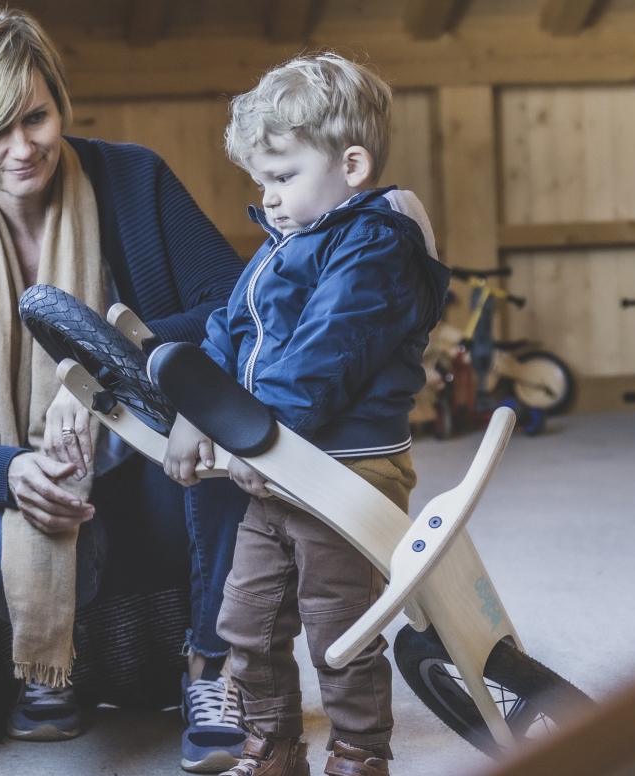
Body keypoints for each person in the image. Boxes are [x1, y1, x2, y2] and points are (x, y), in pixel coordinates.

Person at [0, 4, 250, 772]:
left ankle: (211, 670)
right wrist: (11, 471)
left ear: (58, 99)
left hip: (153, 462)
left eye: (35, 117)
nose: (22, 148)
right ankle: (50, 667)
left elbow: (235, 306)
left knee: (228, 457)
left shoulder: (133, 179)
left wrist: (93, 372)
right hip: (39, 488)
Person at [164, 54, 450, 776]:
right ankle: (273, 744)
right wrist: (200, 408)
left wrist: (252, 435)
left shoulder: (375, 245)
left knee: (338, 628)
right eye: (262, 180)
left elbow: (323, 358)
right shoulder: (283, 247)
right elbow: (229, 327)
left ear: (352, 164)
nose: (270, 196)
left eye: (284, 176)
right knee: (247, 624)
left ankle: (358, 751)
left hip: (341, 476)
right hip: (273, 471)